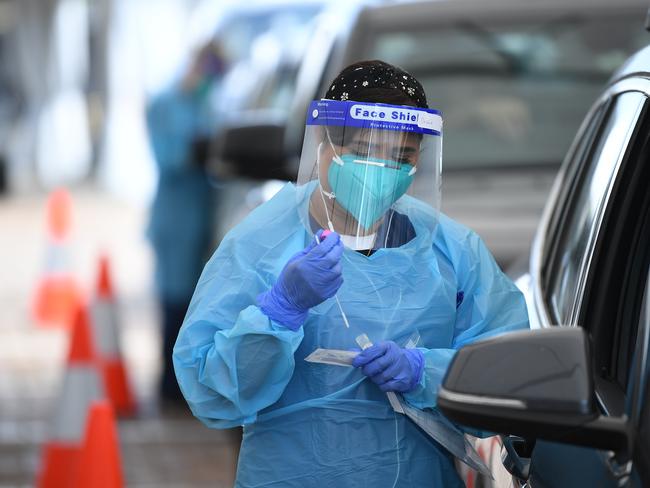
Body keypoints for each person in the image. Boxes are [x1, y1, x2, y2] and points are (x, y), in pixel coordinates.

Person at [173, 60, 529, 486]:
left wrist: (428, 372)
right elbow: (211, 393)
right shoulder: (259, 246)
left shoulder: (449, 251)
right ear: (323, 146)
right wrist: (279, 310)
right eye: (363, 150)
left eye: (401, 156)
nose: (380, 171)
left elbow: (506, 373)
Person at [146, 40, 225, 403]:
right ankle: (168, 385)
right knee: (174, 300)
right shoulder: (163, 103)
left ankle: (186, 382)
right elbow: (169, 159)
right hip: (175, 218)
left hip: (202, 215)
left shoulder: (206, 103)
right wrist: (195, 149)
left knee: (195, 303)